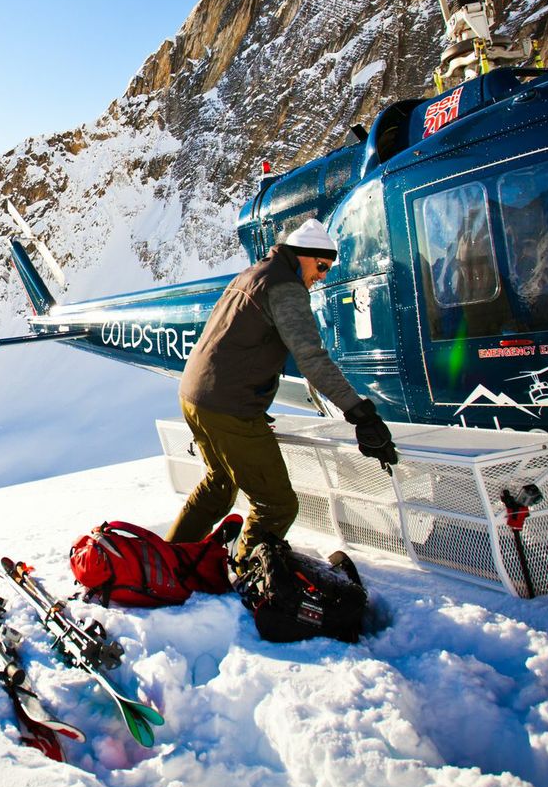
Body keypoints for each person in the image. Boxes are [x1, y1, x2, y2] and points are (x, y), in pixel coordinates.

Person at [167, 217, 397, 570]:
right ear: (303, 255)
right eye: (321, 266)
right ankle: (250, 576)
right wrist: (359, 412)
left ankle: (167, 561)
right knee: (277, 504)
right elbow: (312, 359)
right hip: (228, 405)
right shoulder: (285, 287)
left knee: (219, 484)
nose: (322, 276)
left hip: (196, 395)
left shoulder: (254, 273)